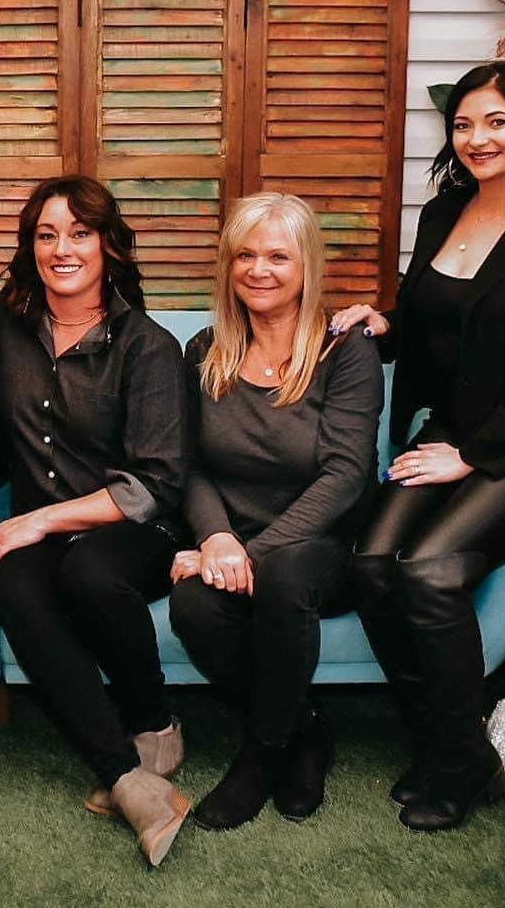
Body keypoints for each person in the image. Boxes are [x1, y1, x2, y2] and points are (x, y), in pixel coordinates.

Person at [330, 60, 505, 832]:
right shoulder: (442, 212)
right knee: (370, 566)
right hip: (453, 428)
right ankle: (451, 743)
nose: (476, 138)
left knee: (430, 569)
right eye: (463, 124)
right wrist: (385, 323)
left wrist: (471, 455)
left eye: (496, 122)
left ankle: (455, 762)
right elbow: (439, 318)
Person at [0, 175, 190, 867]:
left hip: (138, 529)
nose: (61, 249)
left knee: (92, 572)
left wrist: (40, 520)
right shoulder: (7, 323)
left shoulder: (147, 345)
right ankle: (128, 777)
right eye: (46, 234)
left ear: (108, 246)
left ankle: (156, 726)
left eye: (79, 233)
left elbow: (154, 484)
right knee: (15, 587)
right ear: (30, 247)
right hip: (46, 528)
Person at [168, 193, 382, 831]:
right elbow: (190, 466)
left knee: (286, 577)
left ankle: (261, 755)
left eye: (278, 257)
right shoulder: (205, 350)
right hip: (237, 539)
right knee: (194, 606)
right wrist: (216, 539)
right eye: (245, 256)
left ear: (307, 264)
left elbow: (344, 476)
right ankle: (305, 730)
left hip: (327, 544)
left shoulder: (346, 351)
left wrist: (251, 554)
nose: (259, 270)